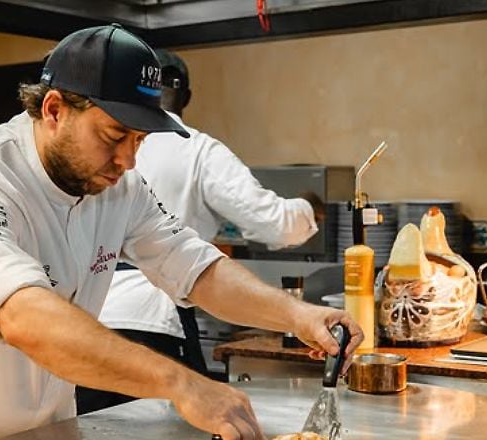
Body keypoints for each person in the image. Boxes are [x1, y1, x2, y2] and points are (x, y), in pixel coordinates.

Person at [0, 25, 362, 440]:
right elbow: (22, 317)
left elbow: (194, 265)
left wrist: (298, 316)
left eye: (140, 140)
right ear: (54, 109)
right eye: (113, 136)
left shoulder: (119, 188)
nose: (127, 159)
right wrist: (181, 383)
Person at [78, 49, 324, 413]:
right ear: (187, 97)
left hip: (85, 328)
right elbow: (274, 224)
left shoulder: (102, 151)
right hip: (153, 322)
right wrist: (309, 206)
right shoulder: (195, 148)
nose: (128, 157)